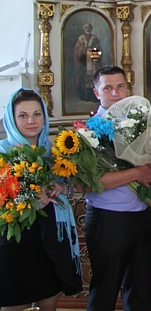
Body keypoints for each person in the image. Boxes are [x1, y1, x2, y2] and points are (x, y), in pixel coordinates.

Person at [85, 65, 151, 311]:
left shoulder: (135, 123)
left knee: (140, 293)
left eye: (120, 86)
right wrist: (135, 173)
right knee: (105, 291)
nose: (115, 93)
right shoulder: (86, 133)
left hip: (141, 217)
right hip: (108, 220)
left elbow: (149, 171)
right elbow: (94, 183)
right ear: (97, 93)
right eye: (108, 88)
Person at [0, 89, 82, 311]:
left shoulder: (55, 151)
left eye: (37, 114)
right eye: (23, 115)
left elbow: (73, 186)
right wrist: (25, 203)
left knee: (48, 304)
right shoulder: (3, 152)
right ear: (11, 118)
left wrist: (60, 187)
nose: (31, 121)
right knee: (14, 303)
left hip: (50, 242)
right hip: (14, 242)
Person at [73, 22, 101, 101]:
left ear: (91, 29)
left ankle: (92, 97)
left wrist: (92, 50)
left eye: (89, 27)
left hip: (93, 63)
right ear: (83, 28)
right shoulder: (81, 38)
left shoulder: (94, 38)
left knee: (92, 79)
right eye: (86, 27)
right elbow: (76, 49)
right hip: (83, 62)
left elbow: (98, 49)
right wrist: (82, 49)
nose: (87, 29)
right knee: (83, 79)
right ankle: (84, 96)